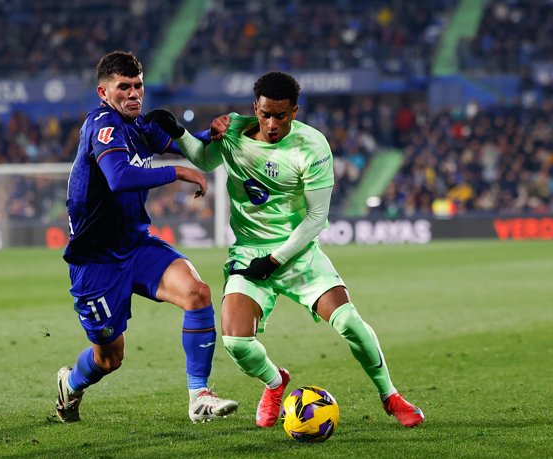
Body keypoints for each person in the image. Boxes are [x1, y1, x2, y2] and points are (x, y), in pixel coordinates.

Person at [145, 71, 425, 428]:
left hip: (297, 252)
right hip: (248, 252)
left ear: (295, 111)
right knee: (235, 343)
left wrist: (276, 259)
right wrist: (179, 132)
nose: (272, 123)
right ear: (255, 108)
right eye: (265, 114)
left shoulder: (313, 146)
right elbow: (204, 159)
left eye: (281, 115)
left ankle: (391, 396)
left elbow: (317, 218)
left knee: (349, 322)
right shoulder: (231, 130)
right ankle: (276, 383)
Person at [57, 50, 237, 424]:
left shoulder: (141, 126)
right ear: (104, 92)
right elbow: (119, 177)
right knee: (110, 358)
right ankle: (71, 384)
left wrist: (215, 133)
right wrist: (176, 173)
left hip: (136, 244)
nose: (134, 94)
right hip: (96, 261)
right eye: (124, 87)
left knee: (197, 292)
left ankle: (199, 395)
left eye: (138, 85)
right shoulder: (103, 124)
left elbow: (196, 148)